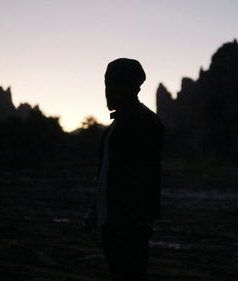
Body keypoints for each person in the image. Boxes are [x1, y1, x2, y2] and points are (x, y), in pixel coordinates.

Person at [84, 58, 164, 281]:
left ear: (134, 87)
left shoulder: (145, 123)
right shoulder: (117, 125)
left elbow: (146, 175)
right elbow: (107, 172)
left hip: (129, 222)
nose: (109, 90)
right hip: (113, 219)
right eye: (107, 84)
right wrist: (96, 210)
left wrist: (136, 221)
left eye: (115, 83)